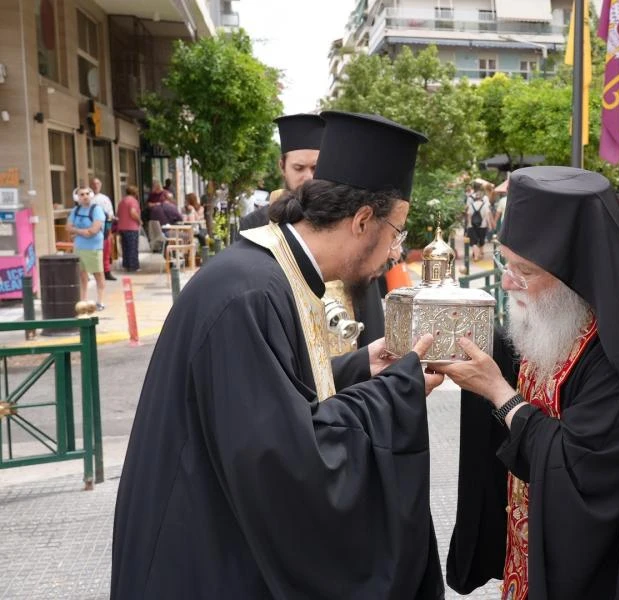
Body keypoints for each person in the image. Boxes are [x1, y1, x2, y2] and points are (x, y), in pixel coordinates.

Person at [112, 111, 446, 599]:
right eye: (397, 232)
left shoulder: (273, 270)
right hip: (201, 557)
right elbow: (286, 461)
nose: (396, 252)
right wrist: (397, 392)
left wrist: (362, 367)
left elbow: (268, 398)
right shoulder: (251, 291)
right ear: (361, 221)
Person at [437, 166, 619, 600]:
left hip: (603, 574)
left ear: (575, 274)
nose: (508, 282)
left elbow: (582, 469)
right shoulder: (557, 315)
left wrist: (498, 393)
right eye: (505, 263)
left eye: (525, 271)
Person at [241, 112, 386, 347]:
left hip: (346, 347)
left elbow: (365, 294)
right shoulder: (255, 225)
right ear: (282, 166)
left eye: (316, 167)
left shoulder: (347, 220)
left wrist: (374, 354)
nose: (308, 177)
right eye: (299, 168)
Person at [66, 185, 107, 311]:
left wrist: (76, 231)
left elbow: (94, 230)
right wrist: (83, 231)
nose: (85, 197)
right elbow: (68, 227)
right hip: (79, 247)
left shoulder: (97, 210)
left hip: (94, 247)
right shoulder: (75, 210)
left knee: (98, 274)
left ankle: (100, 301)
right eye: (82, 194)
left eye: (87, 194)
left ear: (91, 195)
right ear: (77, 197)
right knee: (82, 275)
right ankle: (83, 300)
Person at [90, 178, 117, 281]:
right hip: (92, 229)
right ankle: (95, 272)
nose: (95, 186)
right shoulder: (88, 199)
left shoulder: (105, 199)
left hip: (104, 229)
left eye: (97, 184)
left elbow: (110, 215)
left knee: (106, 252)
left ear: (100, 185)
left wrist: (109, 229)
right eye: (93, 184)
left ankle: (106, 272)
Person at [117, 185, 142, 272]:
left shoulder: (122, 201)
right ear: (135, 193)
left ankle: (126, 264)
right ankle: (133, 266)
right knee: (132, 247)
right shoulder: (133, 201)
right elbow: (133, 212)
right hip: (131, 227)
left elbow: (118, 213)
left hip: (122, 227)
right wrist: (139, 220)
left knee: (125, 247)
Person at [465, 184, 492, 261]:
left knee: (474, 242)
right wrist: (490, 225)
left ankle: (476, 256)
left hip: (472, 226)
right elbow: (487, 216)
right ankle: (480, 253)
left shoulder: (471, 205)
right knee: (481, 240)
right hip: (483, 226)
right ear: (481, 198)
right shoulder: (485, 205)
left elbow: (469, 216)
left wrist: (469, 225)